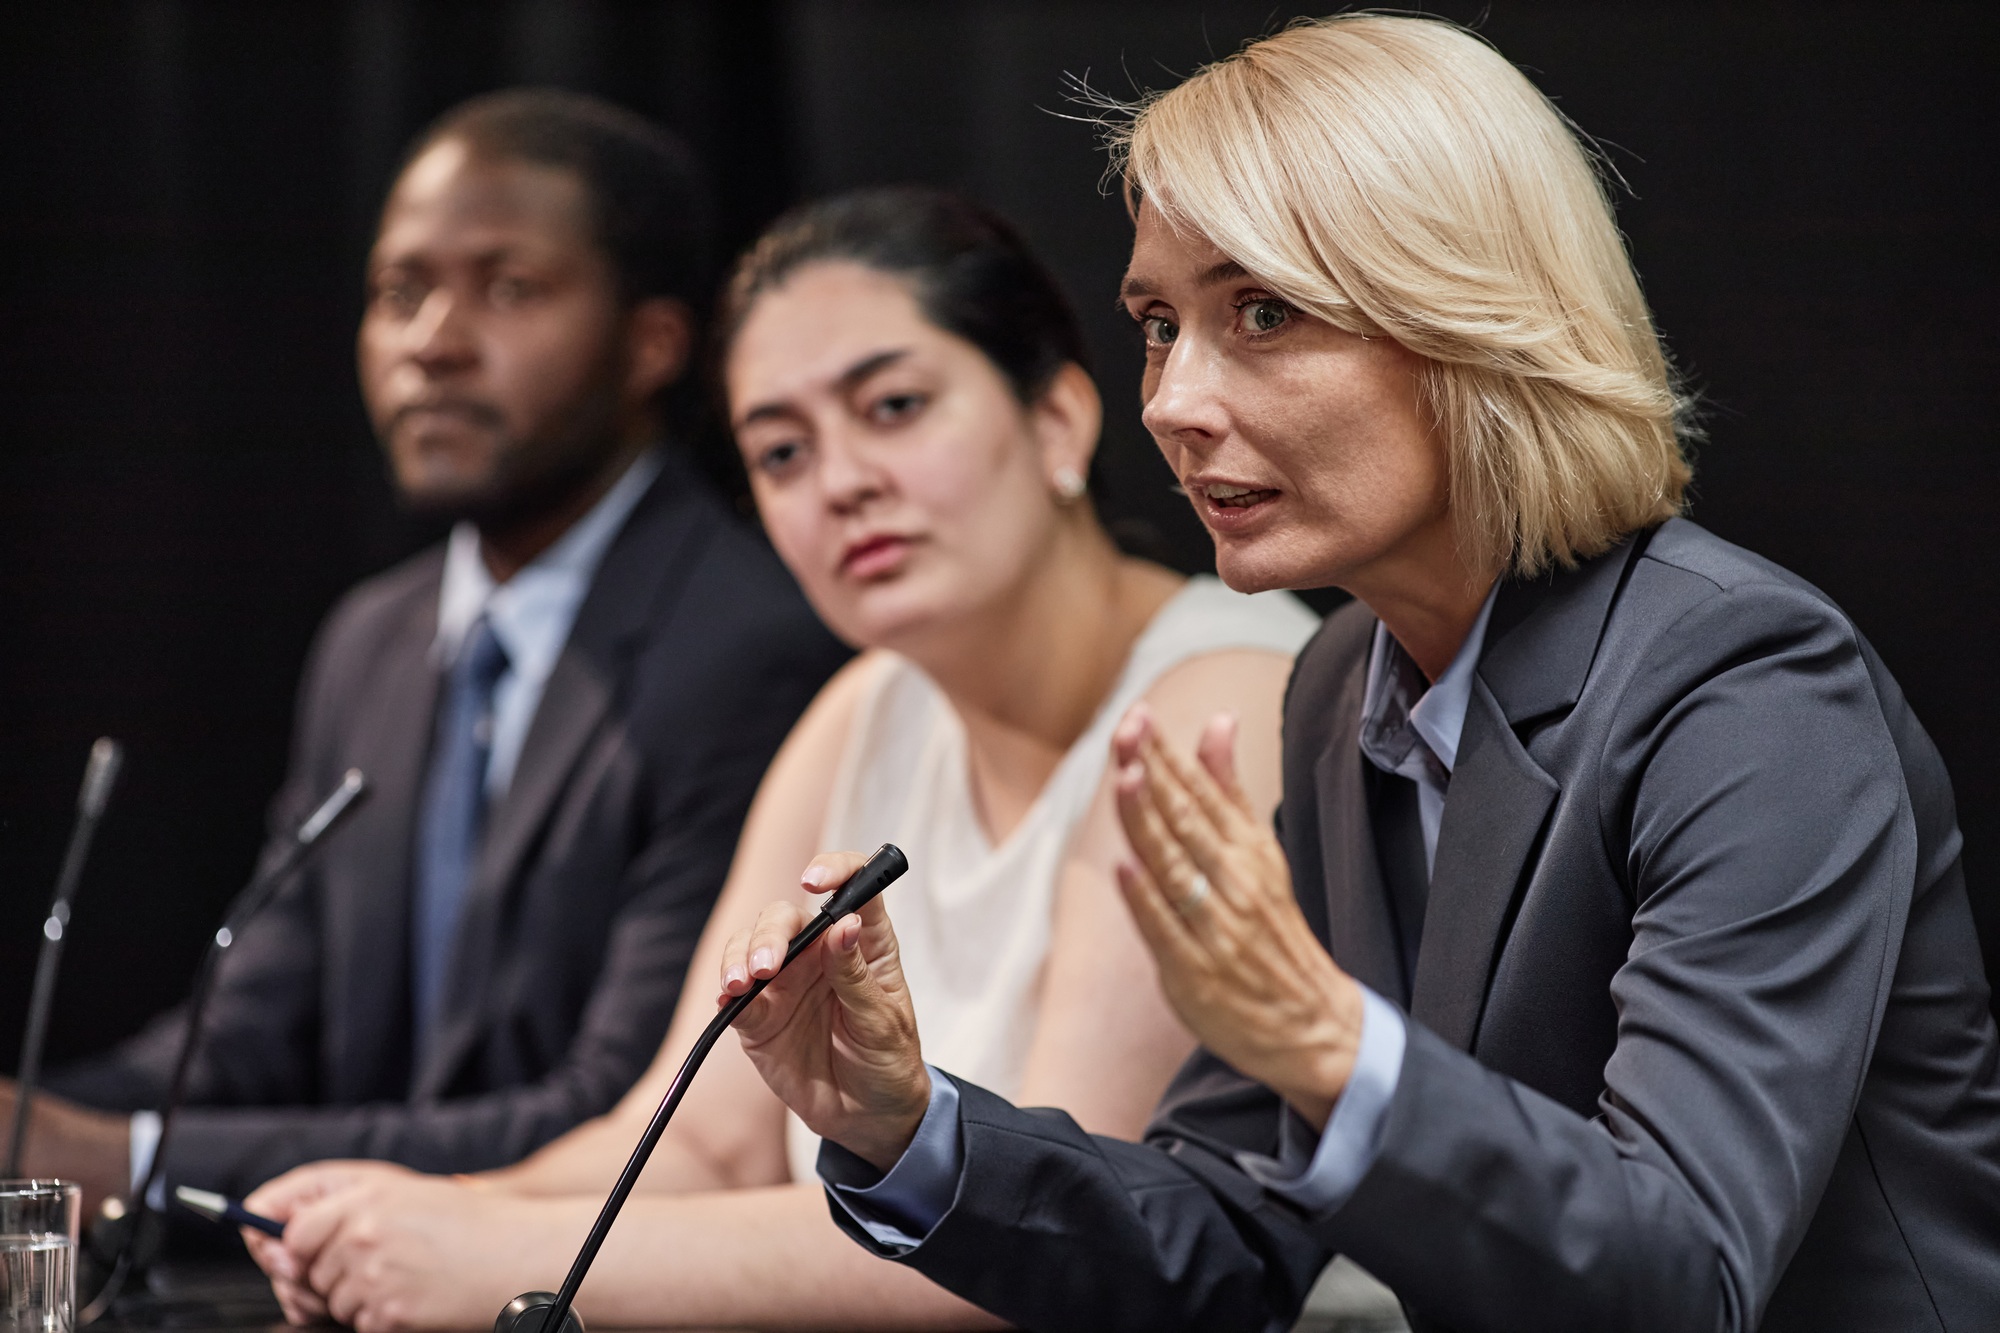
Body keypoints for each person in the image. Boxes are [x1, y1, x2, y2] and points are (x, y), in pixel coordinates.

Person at [722, 16, 2000, 1333]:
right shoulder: (1344, 681)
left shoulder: (1747, 682)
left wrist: (1330, 1047)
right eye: (1161, 324)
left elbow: (1686, 1277)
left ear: (1470, 319)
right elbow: (1226, 1232)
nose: (1169, 401)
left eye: (1262, 312)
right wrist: (906, 1122)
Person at [234, 187, 1319, 1332]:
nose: (840, 481)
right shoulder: (862, 706)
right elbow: (697, 1137)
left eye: (893, 406)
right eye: (782, 450)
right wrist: (402, 1213)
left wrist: (486, 1249)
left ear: (1056, 418)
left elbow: (1039, 1242)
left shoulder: (1220, 696)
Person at [0, 89, 849, 1211]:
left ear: (652, 342)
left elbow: (615, 1111)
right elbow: (249, 1027)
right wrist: (32, 1124)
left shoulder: (754, 639)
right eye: (400, 292)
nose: (431, 343)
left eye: (508, 289)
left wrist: (130, 1159)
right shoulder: (372, 639)